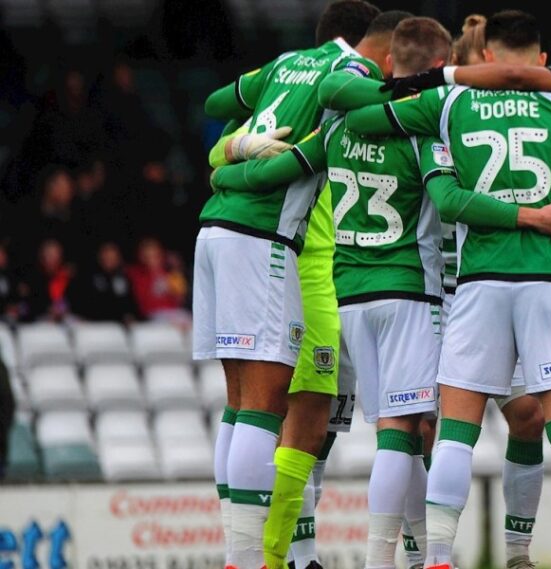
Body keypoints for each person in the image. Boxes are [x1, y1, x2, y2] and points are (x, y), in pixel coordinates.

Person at [339, 9, 551, 569]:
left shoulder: (449, 101)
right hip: (549, 279)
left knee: (454, 436)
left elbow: (358, 115)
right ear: (543, 59)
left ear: (484, 57)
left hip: (478, 281)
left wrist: (437, 79)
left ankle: (437, 559)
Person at [212, 16, 551, 569]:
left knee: (400, 428)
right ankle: (380, 557)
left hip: (364, 293)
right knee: (394, 430)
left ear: (390, 65)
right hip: (421, 292)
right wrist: (529, 215)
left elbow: (289, 150)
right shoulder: (431, 123)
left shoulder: (341, 124)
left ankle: (417, 556)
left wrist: (224, 168)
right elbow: (450, 199)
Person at [195, 2, 384, 567]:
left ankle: (288, 555)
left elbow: (217, 130)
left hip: (286, 260)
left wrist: (232, 154)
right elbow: (260, 159)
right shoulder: (346, 84)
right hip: (303, 268)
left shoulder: (284, 72)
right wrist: (242, 160)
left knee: (273, 418)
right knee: (290, 420)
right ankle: (273, 558)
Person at [69, 242, 138, 323]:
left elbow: (129, 303)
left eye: (112, 258)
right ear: (99, 257)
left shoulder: (124, 277)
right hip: (91, 323)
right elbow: (79, 302)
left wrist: (128, 315)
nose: (108, 260)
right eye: (106, 257)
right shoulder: (87, 276)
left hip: (117, 325)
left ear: (118, 259)